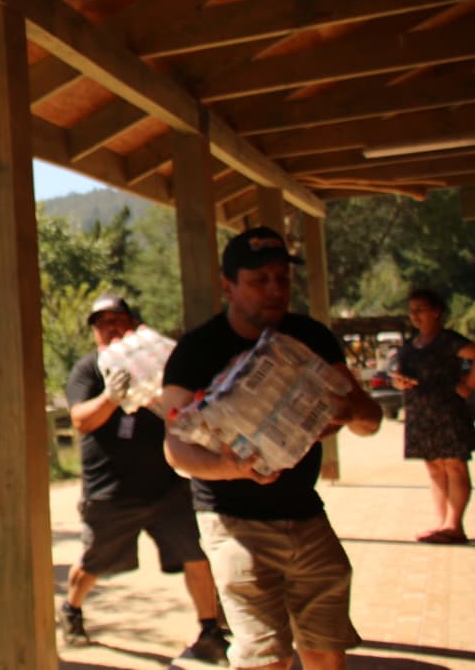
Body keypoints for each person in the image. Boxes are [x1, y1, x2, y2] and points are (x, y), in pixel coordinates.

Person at [162, 226, 383, 670]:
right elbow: (175, 451)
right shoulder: (196, 350)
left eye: (282, 278)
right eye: (259, 280)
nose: (275, 290)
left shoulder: (312, 337)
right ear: (229, 285)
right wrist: (232, 468)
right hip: (233, 521)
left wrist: (348, 408)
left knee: (326, 652)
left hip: (306, 512)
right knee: (265, 659)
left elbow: (370, 421)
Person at [60, 293, 229, 664]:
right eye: (101, 323)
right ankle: (71, 610)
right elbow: (81, 420)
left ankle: (211, 628)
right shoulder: (89, 369)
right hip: (112, 491)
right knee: (93, 563)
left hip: (167, 487)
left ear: (133, 324)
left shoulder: (159, 363)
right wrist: (111, 396)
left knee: (197, 555)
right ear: (94, 333)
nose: (110, 328)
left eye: (117, 320)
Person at [392, 288, 475, 544]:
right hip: (420, 412)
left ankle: (454, 524)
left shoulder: (448, 341)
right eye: (412, 311)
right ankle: (441, 522)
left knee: (453, 465)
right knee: (434, 467)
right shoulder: (410, 344)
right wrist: (399, 383)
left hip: (447, 410)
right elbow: (398, 373)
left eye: (420, 310)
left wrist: (469, 385)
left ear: (436, 311)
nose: (415, 316)